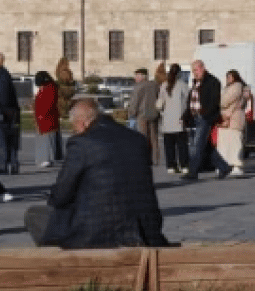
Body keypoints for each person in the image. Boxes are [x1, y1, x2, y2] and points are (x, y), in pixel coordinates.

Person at [24, 98, 169, 249]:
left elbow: (61, 195)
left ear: (82, 123)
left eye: (74, 127)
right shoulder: (138, 140)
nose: (74, 131)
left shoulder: (82, 143)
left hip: (97, 234)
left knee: (34, 215)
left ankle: (68, 262)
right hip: (146, 232)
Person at [182, 59, 232, 181]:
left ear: (203, 68)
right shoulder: (196, 83)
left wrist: (206, 113)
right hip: (195, 118)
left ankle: (193, 172)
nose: (195, 73)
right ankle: (224, 167)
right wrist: (185, 116)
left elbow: (214, 101)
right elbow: (191, 101)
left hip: (205, 118)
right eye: (193, 71)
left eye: (196, 70)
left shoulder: (212, 81)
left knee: (197, 145)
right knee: (206, 147)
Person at [0, 52, 21, 174]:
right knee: (10, 140)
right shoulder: (1, 74)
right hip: (8, 111)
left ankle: (3, 165)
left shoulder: (1, 76)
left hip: (3, 112)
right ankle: (12, 165)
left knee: (1, 140)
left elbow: (2, 97)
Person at [157, 63, 191, 174]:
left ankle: (171, 166)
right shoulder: (182, 85)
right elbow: (188, 100)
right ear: (179, 73)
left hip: (167, 120)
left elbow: (160, 103)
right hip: (179, 120)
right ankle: (184, 165)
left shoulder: (164, 85)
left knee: (169, 146)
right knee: (182, 145)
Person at [126, 67, 162, 165]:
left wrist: (131, 113)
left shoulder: (138, 86)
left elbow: (135, 101)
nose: (135, 78)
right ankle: (155, 159)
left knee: (143, 137)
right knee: (154, 138)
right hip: (154, 114)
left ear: (142, 76)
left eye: (137, 76)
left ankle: (145, 158)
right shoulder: (155, 85)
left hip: (142, 115)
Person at [217, 69, 248, 177]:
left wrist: (218, 102)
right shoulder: (230, 87)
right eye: (227, 76)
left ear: (235, 77)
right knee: (224, 144)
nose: (228, 79)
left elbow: (225, 101)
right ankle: (225, 165)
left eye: (230, 76)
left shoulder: (237, 86)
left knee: (235, 144)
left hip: (234, 120)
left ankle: (236, 166)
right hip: (227, 119)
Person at [33, 70, 60, 168]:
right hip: (42, 117)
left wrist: (43, 114)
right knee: (42, 139)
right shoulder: (45, 88)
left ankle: (47, 158)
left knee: (48, 139)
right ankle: (42, 158)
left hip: (47, 117)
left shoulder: (50, 88)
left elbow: (49, 103)